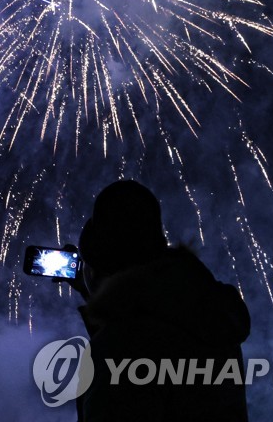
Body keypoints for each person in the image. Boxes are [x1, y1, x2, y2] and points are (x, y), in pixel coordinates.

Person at [72, 180, 250, 422]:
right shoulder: (207, 313)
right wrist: (103, 302)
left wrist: (104, 308)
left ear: (101, 267)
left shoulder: (122, 345)